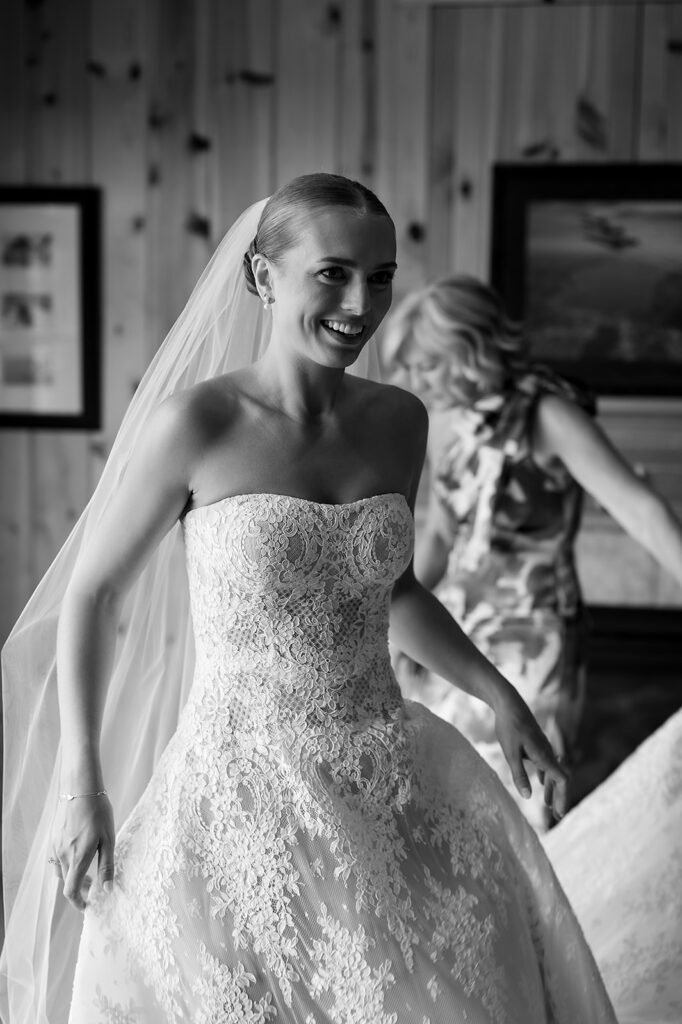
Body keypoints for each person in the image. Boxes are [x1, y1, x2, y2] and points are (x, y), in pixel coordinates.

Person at [1, 175, 618, 1024]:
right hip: (235, 795)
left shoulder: (401, 421)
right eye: (331, 273)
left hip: (388, 777)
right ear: (262, 277)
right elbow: (94, 595)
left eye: (381, 275)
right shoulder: (196, 426)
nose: (360, 303)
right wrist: (84, 785)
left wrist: (501, 698)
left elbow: (392, 590)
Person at [383, 275, 682, 830]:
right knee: (444, 781)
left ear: (469, 352)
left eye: (425, 365)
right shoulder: (445, 425)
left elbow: (639, 509)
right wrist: (398, 632)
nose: (411, 380)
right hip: (458, 624)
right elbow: (441, 535)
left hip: (536, 632)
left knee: (523, 786)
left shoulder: (550, 415)